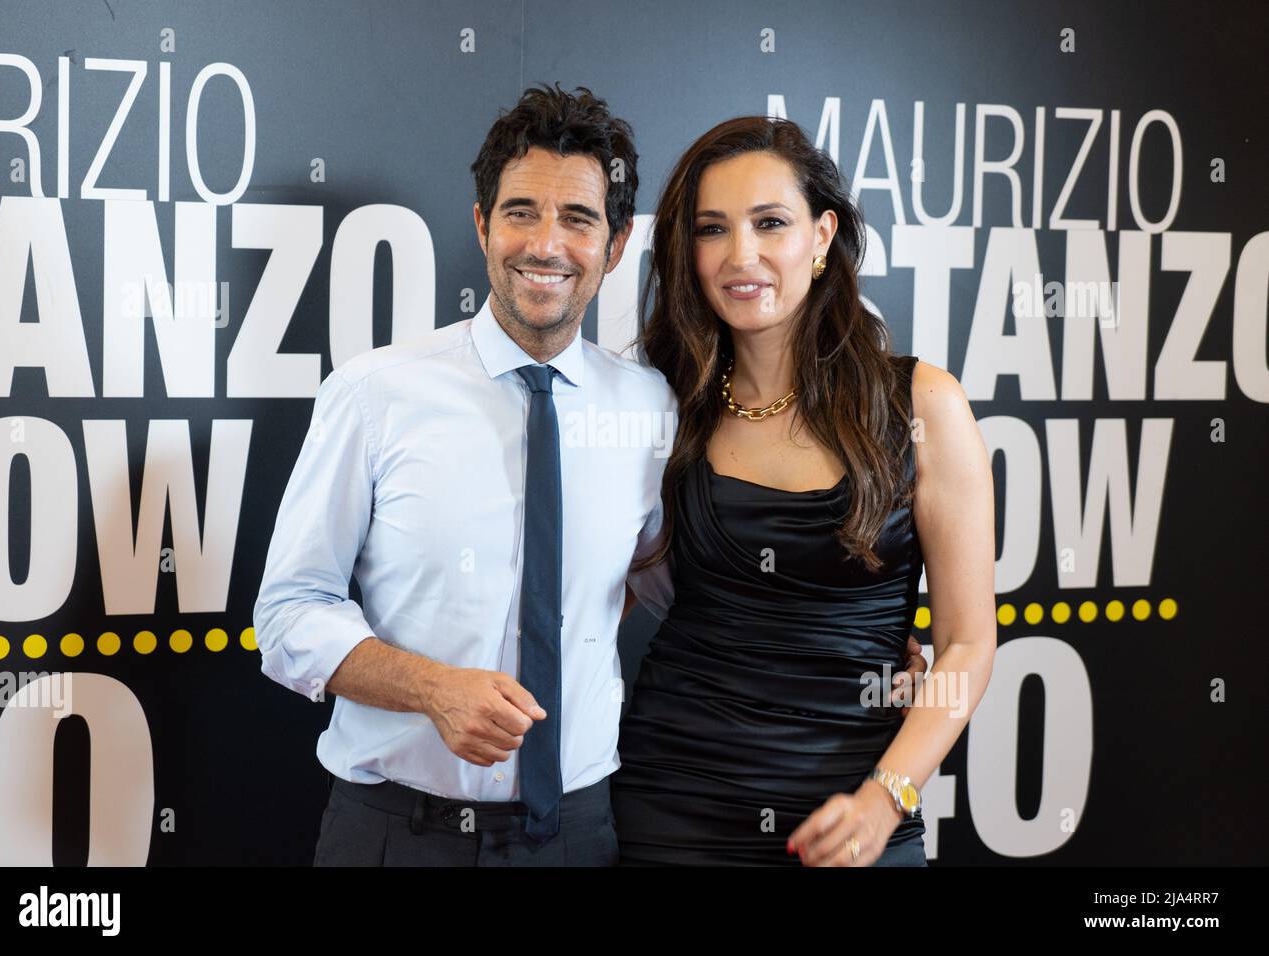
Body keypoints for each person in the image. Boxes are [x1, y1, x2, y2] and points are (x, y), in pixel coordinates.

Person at [252, 82, 675, 865]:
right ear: (484, 226)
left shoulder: (651, 411)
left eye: (579, 218)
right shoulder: (376, 393)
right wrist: (432, 688)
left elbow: (680, 590)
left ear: (615, 247)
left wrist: (850, 650)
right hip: (393, 835)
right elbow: (285, 617)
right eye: (521, 212)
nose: (546, 244)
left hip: (577, 838)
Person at [613, 116, 997, 866]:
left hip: (855, 809)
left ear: (822, 237)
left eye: (770, 224)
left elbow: (967, 646)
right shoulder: (660, 404)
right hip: (669, 803)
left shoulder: (922, 405)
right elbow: (599, 591)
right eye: (712, 230)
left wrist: (887, 799)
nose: (740, 256)